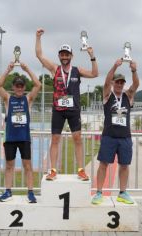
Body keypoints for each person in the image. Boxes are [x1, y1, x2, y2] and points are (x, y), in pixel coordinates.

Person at [35, 28, 99, 181]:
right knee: (55, 139)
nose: (64, 56)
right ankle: (53, 170)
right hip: (58, 110)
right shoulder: (54, 69)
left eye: (67, 54)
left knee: (77, 138)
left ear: (71, 55)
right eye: (62, 54)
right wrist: (38, 38)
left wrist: (92, 56)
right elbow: (39, 55)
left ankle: (81, 170)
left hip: (73, 110)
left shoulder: (77, 71)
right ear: (59, 56)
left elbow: (95, 74)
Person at [91, 58, 139, 205]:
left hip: (124, 137)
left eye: (121, 82)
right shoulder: (107, 95)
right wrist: (114, 66)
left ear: (123, 84)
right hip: (109, 136)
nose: (118, 84)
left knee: (124, 165)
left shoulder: (128, 96)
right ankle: (99, 192)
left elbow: (136, 85)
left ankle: (123, 193)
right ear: (113, 83)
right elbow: (106, 82)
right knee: (103, 164)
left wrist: (134, 70)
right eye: (116, 82)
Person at [0, 61, 41, 202]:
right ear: (13, 87)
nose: (19, 88)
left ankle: (31, 192)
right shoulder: (8, 98)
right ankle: (8, 191)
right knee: (9, 166)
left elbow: (38, 85)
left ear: (24, 87)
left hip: (24, 138)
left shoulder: (28, 99)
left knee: (27, 166)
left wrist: (27, 69)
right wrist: (8, 70)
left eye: (22, 86)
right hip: (10, 138)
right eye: (17, 86)